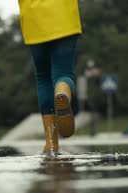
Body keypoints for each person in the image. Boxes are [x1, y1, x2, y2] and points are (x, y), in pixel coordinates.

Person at [18, 0, 82, 156]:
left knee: (43, 78)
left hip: (34, 21)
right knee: (63, 74)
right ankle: (62, 93)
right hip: (64, 18)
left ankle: (51, 143)